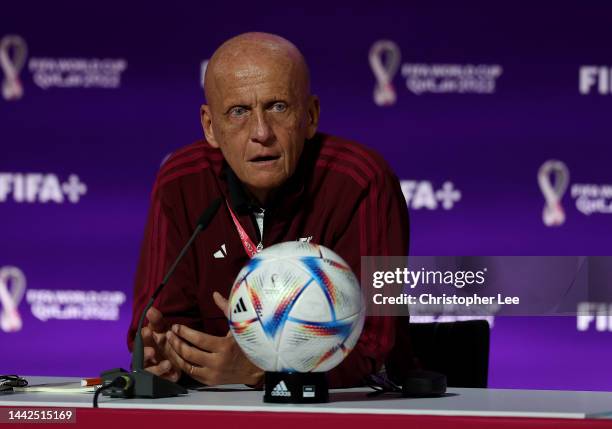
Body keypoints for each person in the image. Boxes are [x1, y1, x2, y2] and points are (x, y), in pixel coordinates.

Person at [127, 32, 412, 388]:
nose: (261, 132)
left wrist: (261, 371)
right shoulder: (182, 182)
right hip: (214, 410)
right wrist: (165, 356)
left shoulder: (361, 180)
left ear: (310, 116)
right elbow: (162, 324)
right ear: (210, 126)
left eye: (278, 107)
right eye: (239, 112)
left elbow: (375, 343)